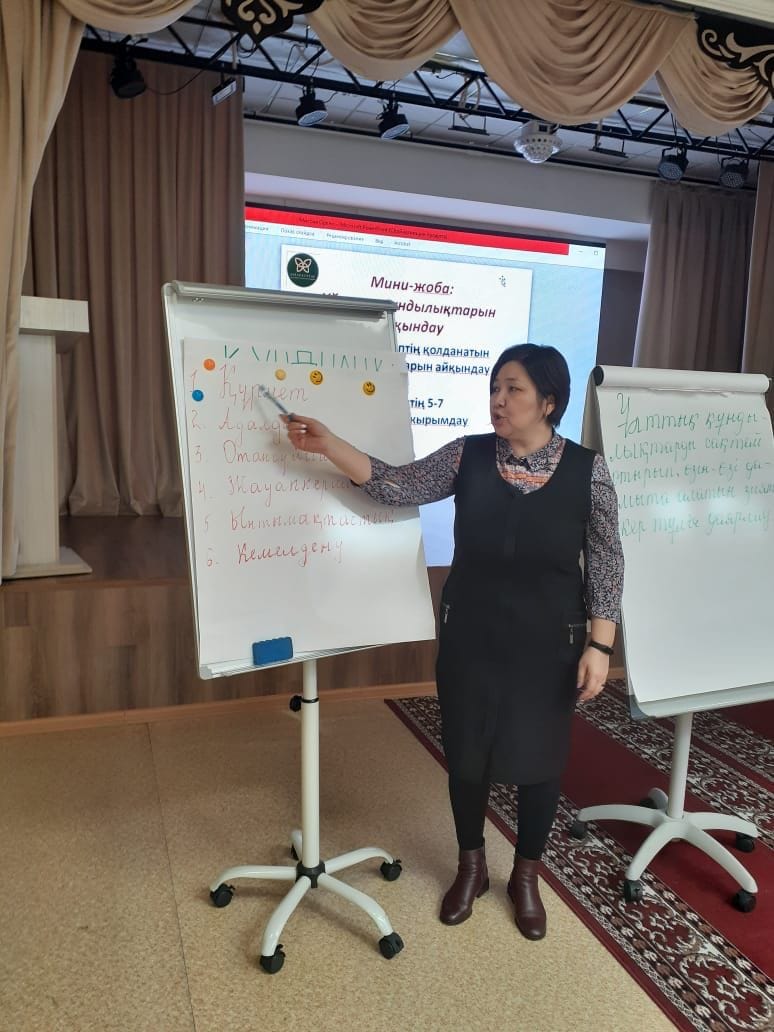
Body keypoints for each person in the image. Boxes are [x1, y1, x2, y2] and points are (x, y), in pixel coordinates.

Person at [283, 343, 624, 941]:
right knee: (467, 755)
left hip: (551, 642)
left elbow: (606, 561)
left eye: (513, 389)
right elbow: (394, 484)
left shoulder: (587, 471)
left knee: (540, 761)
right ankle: (471, 867)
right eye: (494, 387)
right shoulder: (468, 454)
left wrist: (600, 646)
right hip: (472, 633)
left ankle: (526, 875)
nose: (498, 400)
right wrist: (329, 444)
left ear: (548, 401)